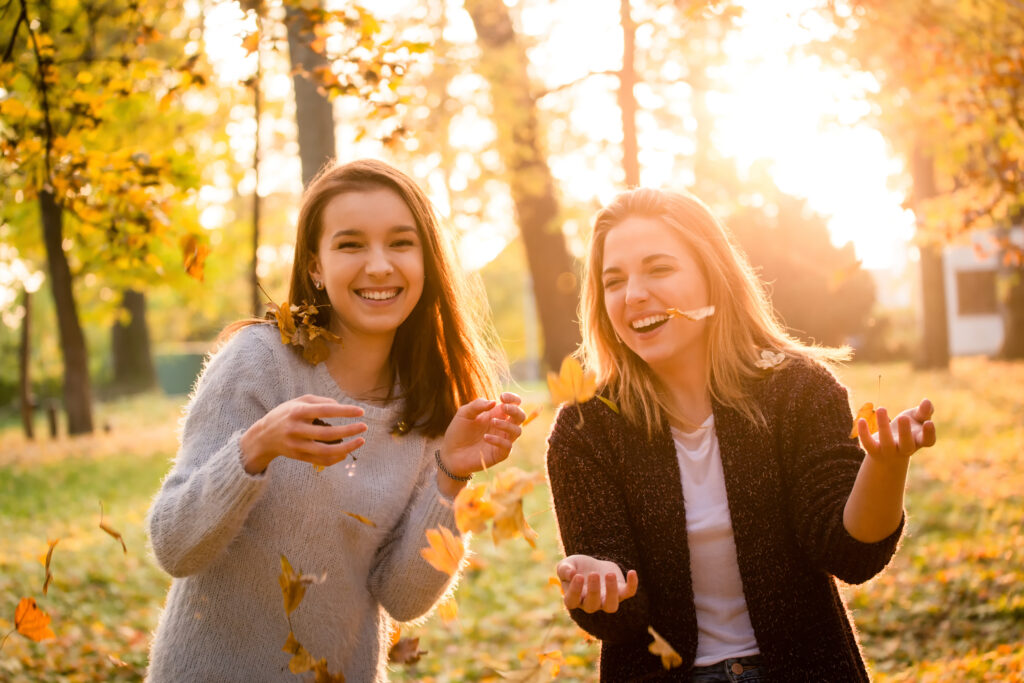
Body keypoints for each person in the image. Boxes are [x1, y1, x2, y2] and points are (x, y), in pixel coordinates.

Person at [146, 159, 526, 682]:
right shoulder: (258, 361)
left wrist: (450, 475)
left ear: (427, 262)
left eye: (400, 243)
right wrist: (254, 449)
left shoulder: (430, 403)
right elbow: (174, 545)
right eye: (350, 245)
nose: (378, 266)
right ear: (315, 267)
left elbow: (403, 597)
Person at [546, 188, 937, 681]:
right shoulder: (586, 429)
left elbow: (849, 554)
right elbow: (621, 618)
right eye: (614, 280)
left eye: (659, 269)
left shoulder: (799, 392)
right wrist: (599, 585)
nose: (634, 294)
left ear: (714, 278)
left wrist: (886, 466)